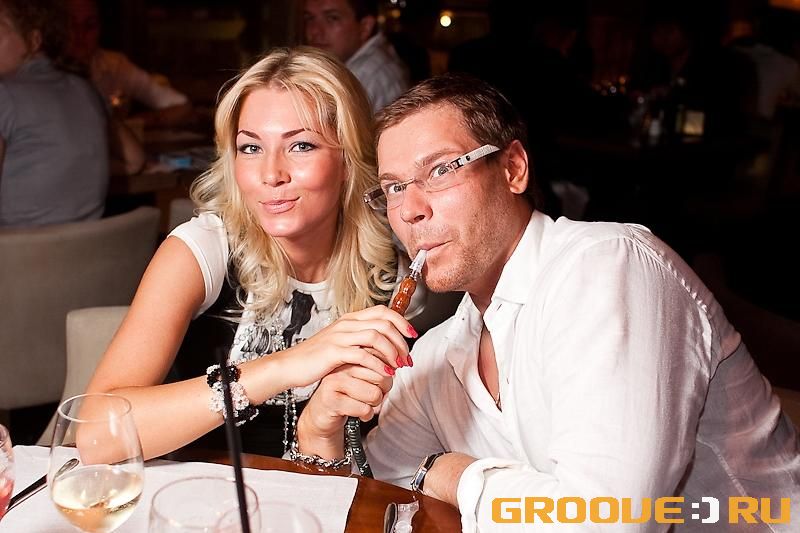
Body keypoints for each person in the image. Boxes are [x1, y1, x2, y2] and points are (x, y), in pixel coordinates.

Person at [296, 73, 800, 531]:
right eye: (394, 188)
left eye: (442, 170)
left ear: (513, 169)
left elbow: (608, 521)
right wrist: (319, 428)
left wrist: (451, 474)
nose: (410, 209)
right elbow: (385, 490)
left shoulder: (608, 266)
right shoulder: (436, 352)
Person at [84, 46, 435, 461]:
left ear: (348, 159)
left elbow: (380, 456)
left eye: (301, 146)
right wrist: (283, 366)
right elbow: (96, 436)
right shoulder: (200, 251)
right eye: (251, 148)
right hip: (199, 494)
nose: (271, 174)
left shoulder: (393, 277)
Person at [0, 0, 109, 227]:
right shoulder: (85, 87)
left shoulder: (5, 94)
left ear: (34, 40)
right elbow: (135, 161)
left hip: (16, 246)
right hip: (88, 246)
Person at [64, 0, 191, 128]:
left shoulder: (115, 66)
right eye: (71, 25)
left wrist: (134, 123)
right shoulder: (51, 71)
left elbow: (182, 107)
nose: (80, 34)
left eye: (89, 25)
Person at [303, 0, 409, 113]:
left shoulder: (363, 75)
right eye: (310, 18)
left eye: (332, 18)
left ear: (365, 26)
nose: (315, 31)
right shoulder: (378, 60)